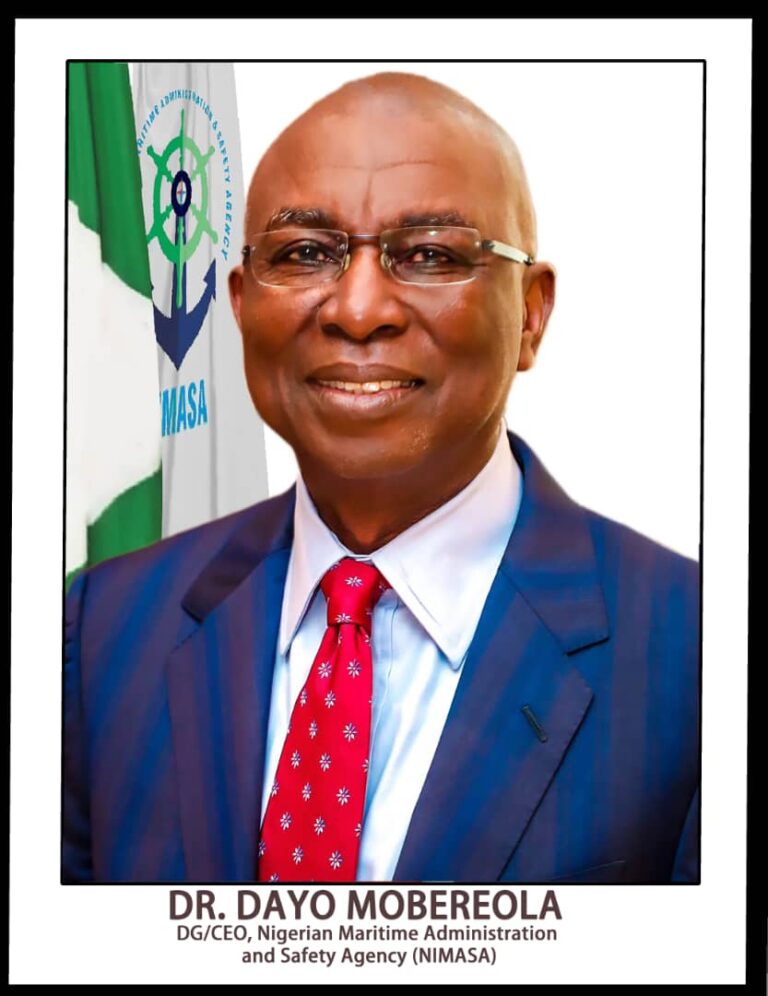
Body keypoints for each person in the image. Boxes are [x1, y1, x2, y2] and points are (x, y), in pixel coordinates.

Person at [62, 71, 699, 884]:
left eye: (429, 254)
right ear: (240, 306)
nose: (359, 310)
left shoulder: (698, 656)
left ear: (531, 314)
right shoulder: (105, 630)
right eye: (304, 254)